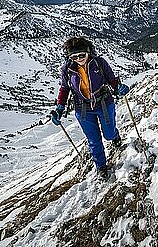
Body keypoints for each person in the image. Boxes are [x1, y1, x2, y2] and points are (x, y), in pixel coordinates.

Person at [50, 36, 130, 179]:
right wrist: (59, 108)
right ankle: (101, 167)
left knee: (109, 134)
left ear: (88, 52)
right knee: (94, 140)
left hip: (104, 103)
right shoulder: (67, 69)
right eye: (74, 57)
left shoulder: (99, 63)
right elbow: (64, 88)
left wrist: (118, 88)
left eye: (82, 55)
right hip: (83, 109)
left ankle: (114, 136)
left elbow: (111, 79)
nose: (79, 58)